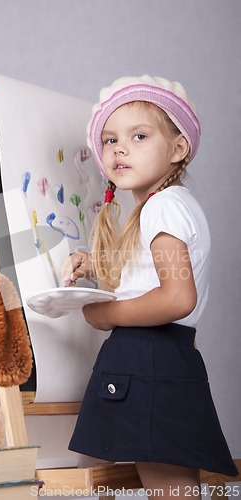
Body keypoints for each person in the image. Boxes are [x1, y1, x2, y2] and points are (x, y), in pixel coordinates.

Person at [61, 75, 238, 498]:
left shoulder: (162, 207)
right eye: (109, 140)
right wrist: (98, 266)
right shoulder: (167, 207)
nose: (119, 149)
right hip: (160, 357)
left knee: (171, 490)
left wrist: (106, 315)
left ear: (178, 149)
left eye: (139, 136)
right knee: (168, 487)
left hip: (149, 358)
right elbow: (153, 278)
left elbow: (177, 296)